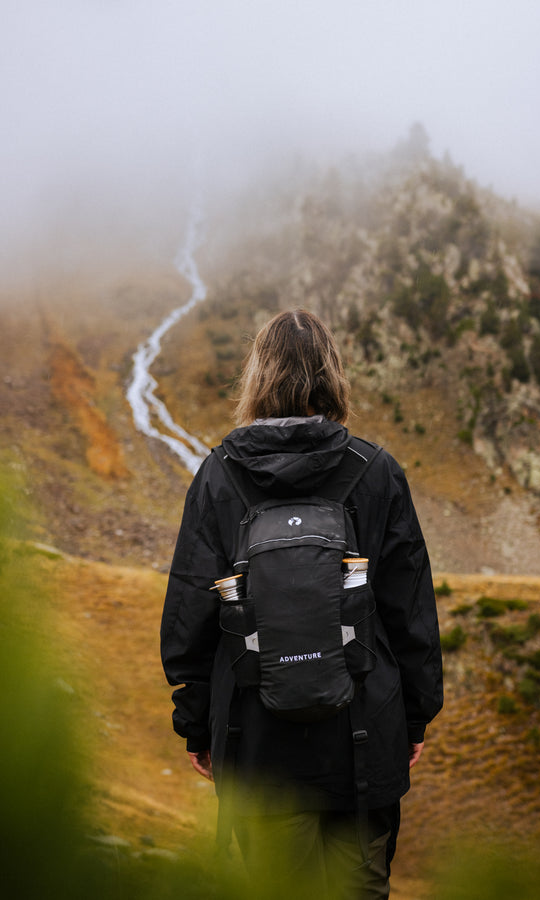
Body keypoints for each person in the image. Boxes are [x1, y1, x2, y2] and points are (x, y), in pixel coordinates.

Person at [160, 309, 443, 899]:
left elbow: (191, 612)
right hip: (364, 740)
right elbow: (409, 609)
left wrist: (195, 726)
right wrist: (413, 717)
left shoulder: (217, 476)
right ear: (333, 374)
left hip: (256, 742)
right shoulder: (377, 472)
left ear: (257, 376)